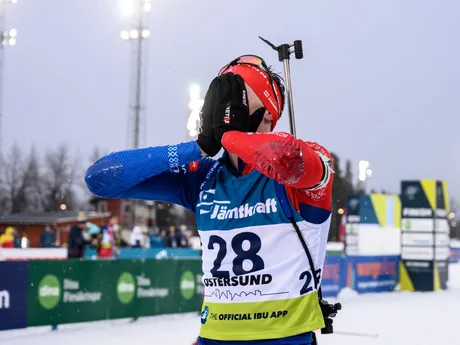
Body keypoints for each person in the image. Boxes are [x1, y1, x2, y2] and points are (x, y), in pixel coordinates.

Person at [85, 54, 334, 345]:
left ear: (268, 112)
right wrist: (199, 147)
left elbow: (289, 159)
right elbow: (101, 178)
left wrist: (229, 135)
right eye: (219, 91)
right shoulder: (204, 176)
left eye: (236, 91)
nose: (222, 102)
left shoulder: (299, 164)